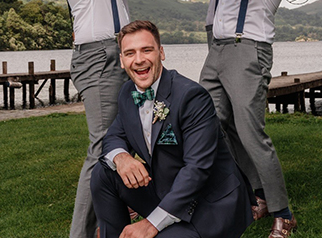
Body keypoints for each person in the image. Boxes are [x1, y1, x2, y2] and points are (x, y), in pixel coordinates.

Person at [53, 0, 201, 238]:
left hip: (113, 54)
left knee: (126, 137)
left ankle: (111, 223)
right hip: (98, 58)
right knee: (103, 147)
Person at [172, 0, 297, 238]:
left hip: (247, 51)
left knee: (251, 131)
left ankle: (283, 212)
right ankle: (257, 193)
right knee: (211, 122)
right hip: (218, 51)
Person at [92, 20, 253, 238]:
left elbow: (197, 170)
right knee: (104, 172)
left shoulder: (192, 97)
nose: (139, 60)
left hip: (209, 206)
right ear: (122, 61)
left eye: (146, 50)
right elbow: (113, 137)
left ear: (161, 53)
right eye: (130, 53)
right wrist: (122, 158)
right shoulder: (127, 92)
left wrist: (149, 224)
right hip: (165, 190)